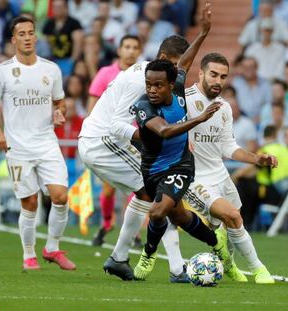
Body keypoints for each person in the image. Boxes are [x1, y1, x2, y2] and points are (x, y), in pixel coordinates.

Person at [78, 3, 212, 282]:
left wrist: (203, 33)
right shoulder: (143, 82)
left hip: (103, 141)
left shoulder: (158, 76)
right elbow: (116, 125)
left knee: (149, 196)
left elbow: (185, 63)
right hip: (102, 140)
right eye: (174, 65)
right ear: (163, 58)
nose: (177, 75)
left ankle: (118, 258)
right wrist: (149, 140)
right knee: (160, 197)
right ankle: (176, 269)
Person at [0, 16, 76, 270]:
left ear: (36, 37)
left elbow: (60, 102)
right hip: (18, 147)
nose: (26, 37)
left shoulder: (51, 70)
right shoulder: (2, 71)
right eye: (21, 33)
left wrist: (59, 112)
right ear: (13, 39)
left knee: (60, 196)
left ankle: (52, 248)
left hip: (46, 142)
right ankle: (28, 255)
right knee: (30, 203)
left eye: (30, 33)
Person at [131, 59, 229, 281]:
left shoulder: (178, 88)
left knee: (157, 212)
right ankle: (215, 241)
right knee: (180, 216)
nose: (152, 90)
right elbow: (164, 131)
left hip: (181, 165)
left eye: (158, 85)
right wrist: (200, 118)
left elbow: (185, 60)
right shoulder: (143, 106)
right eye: (148, 85)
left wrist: (203, 33)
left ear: (171, 84)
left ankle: (148, 253)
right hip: (152, 170)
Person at [185, 53, 276, 284]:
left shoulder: (224, 107)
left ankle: (229, 265)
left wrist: (256, 159)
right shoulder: (183, 101)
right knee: (233, 216)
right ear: (201, 73)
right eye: (213, 74)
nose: (218, 81)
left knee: (229, 225)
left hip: (220, 174)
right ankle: (259, 269)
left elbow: (228, 147)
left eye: (223, 77)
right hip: (195, 178)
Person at [86, 35, 142, 247]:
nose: (130, 51)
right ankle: (107, 223)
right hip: (107, 137)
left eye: (134, 47)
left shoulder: (142, 75)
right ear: (119, 50)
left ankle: (135, 232)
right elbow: (93, 104)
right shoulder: (105, 74)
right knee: (108, 189)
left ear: (139, 51)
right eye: (127, 46)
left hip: (133, 136)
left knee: (136, 185)